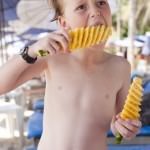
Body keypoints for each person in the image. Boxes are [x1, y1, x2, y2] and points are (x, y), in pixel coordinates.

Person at [0, 0, 142, 150]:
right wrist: (31, 51)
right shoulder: (52, 57)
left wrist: (124, 128)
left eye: (101, 2)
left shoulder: (120, 67)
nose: (96, 12)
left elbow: (118, 122)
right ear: (64, 23)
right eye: (81, 7)